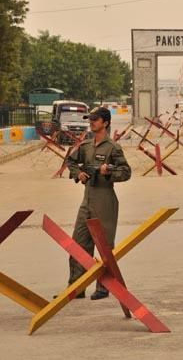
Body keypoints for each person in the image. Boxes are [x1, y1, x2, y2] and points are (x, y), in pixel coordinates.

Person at [66, 107, 131, 300]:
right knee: (78, 243)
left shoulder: (113, 148)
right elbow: (70, 162)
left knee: (104, 246)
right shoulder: (85, 146)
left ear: (106, 123)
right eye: (91, 119)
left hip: (105, 200)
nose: (91, 122)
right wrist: (79, 174)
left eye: (95, 119)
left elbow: (126, 172)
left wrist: (108, 172)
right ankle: (77, 288)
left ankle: (103, 288)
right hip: (87, 199)